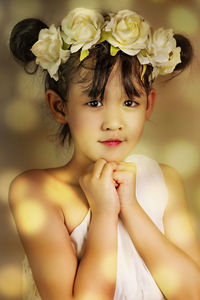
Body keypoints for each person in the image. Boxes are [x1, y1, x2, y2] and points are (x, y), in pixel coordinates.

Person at [8, 7, 200, 300]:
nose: (113, 122)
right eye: (95, 102)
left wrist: (131, 208)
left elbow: (192, 292)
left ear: (148, 105)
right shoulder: (37, 191)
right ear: (59, 106)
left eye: (130, 103)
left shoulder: (164, 180)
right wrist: (104, 213)